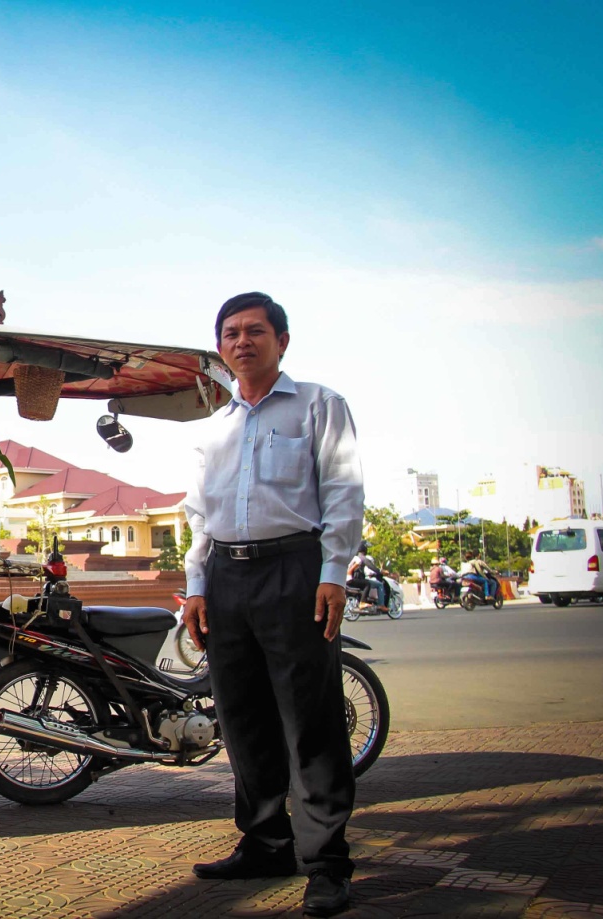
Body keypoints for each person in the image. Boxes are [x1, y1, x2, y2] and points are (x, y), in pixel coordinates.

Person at [182, 291, 364, 917]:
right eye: (230, 333)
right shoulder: (216, 427)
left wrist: (334, 570)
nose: (242, 341)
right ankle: (264, 842)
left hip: (295, 570)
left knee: (309, 721)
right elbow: (199, 516)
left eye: (255, 331)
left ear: (282, 341)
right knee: (243, 718)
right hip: (226, 578)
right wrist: (198, 587)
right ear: (220, 347)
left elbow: (342, 489)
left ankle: (326, 865)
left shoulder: (319, 405)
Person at [347, 542, 389, 609]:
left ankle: (367, 600)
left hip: (347, 580)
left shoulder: (353, 557)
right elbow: (371, 567)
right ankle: (381, 605)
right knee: (378, 584)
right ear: (364, 548)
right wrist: (380, 572)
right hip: (356, 579)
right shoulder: (362, 558)